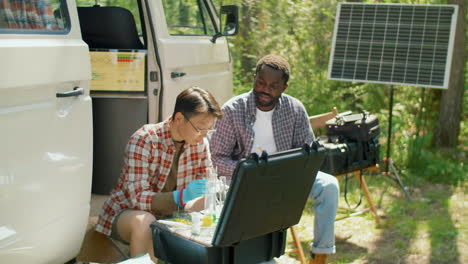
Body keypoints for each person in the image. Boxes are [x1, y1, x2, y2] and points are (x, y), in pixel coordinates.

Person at [210, 55, 339, 264]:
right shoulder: (233, 110)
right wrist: (248, 173)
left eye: (273, 85)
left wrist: (295, 168)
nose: (265, 89)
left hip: (286, 176)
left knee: (329, 185)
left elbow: (307, 154)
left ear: (284, 87)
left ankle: (320, 255)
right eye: (261, 82)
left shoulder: (295, 109)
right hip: (247, 181)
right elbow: (217, 158)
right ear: (254, 79)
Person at [95, 87, 223, 263]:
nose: (203, 136)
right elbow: (137, 199)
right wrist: (180, 197)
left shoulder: (200, 143)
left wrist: (215, 193)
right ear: (178, 118)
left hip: (173, 213)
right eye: (200, 128)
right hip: (127, 212)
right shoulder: (144, 139)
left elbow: (205, 185)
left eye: (209, 130)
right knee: (145, 222)